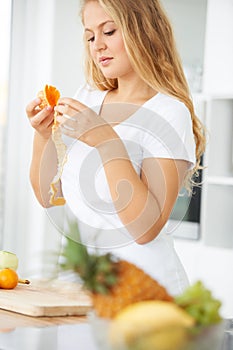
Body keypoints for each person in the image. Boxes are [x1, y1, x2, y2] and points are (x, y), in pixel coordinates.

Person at [26, 0, 206, 296]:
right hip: (78, 286)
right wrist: (42, 136)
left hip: (143, 291)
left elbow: (145, 229)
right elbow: (50, 196)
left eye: (108, 31)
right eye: (90, 36)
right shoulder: (88, 97)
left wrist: (106, 141)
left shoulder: (169, 112)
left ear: (143, 31)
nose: (97, 45)